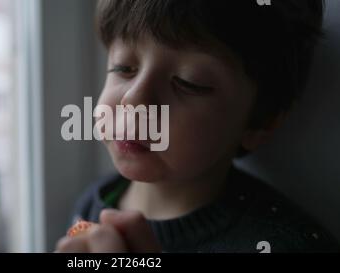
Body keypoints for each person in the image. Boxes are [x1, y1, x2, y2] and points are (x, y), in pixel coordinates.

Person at [55, 0, 340, 253]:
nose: (134, 100)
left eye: (188, 82)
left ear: (259, 122)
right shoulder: (93, 204)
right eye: (123, 68)